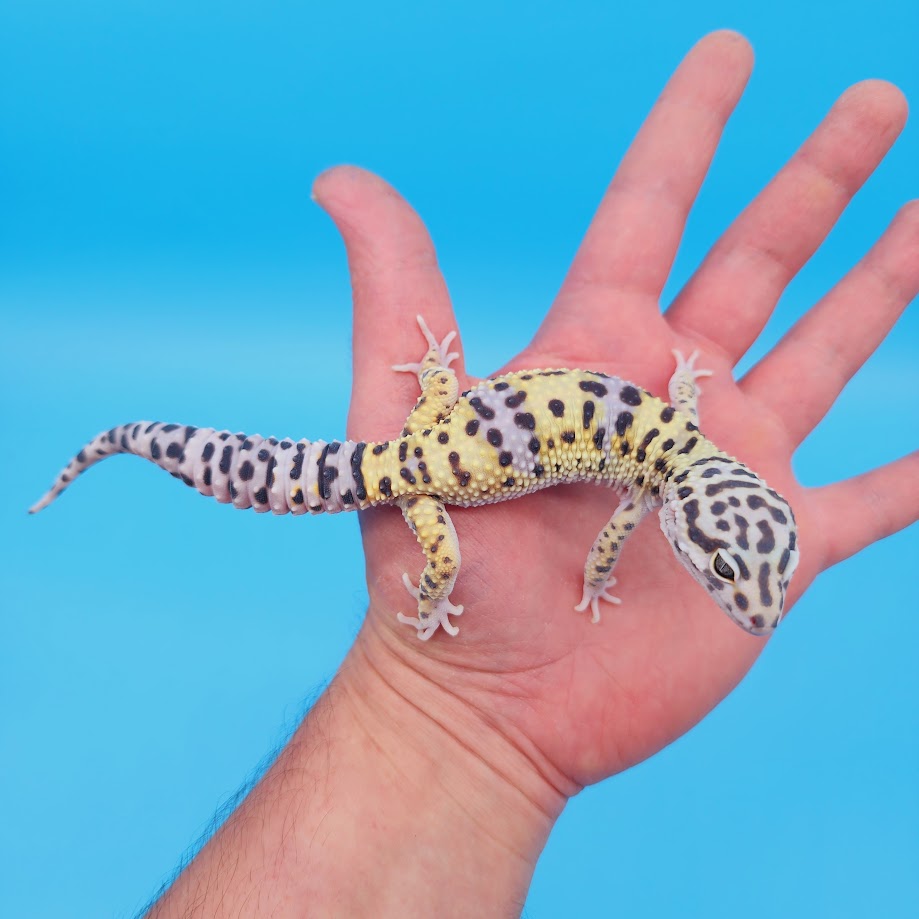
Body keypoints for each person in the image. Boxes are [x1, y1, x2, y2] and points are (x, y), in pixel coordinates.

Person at [147, 31, 918, 917]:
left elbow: (684, 402)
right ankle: (165, 452)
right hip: (425, 478)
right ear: (694, 514)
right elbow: (608, 544)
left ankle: (155, 436)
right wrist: (442, 613)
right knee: (446, 567)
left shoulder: (682, 428)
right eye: (728, 571)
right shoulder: (649, 485)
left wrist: (445, 381)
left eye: (737, 573)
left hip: (447, 423)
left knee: (343, 468)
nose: (747, 601)